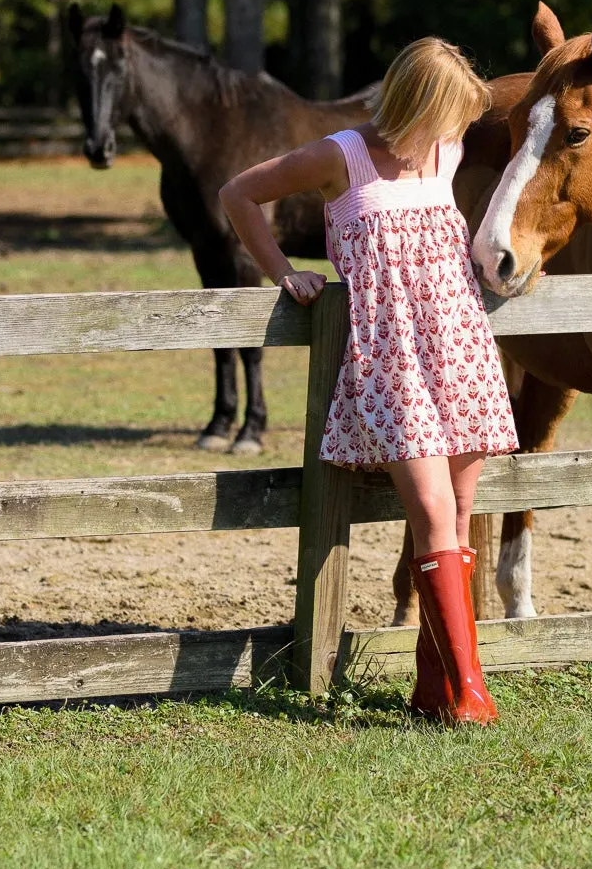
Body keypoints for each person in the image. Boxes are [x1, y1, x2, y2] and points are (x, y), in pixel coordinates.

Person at [218, 37, 518, 725]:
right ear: (419, 104)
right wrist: (282, 271)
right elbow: (238, 194)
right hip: (392, 364)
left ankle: (433, 691)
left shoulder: (449, 152)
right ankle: (471, 695)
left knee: (457, 521)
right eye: (450, 114)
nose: (457, 130)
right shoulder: (341, 155)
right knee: (434, 515)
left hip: (460, 350)